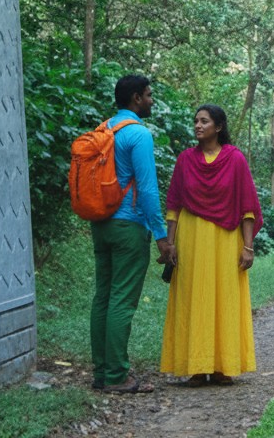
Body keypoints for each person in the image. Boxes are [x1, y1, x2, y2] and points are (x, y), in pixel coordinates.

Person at [160, 104, 264, 387]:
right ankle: (195, 366)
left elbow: (247, 207)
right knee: (194, 298)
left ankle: (222, 366)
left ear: (218, 127)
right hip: (192, 238)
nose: (197, 125)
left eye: (204, 121)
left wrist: (248, 246)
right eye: (195, 121)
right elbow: (174, 205)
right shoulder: (185, 160)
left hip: (226, 239)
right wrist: (170, 243)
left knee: (224, 298)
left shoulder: (235, 159)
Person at [91, 74, 174, 394]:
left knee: (103, 297)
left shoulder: (105, 129)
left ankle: (101, 372)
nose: (153, 100)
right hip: (129, 227)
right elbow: (149, 190)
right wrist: (161, 236)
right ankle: (116, 376)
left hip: (101, 224)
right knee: (122, 301)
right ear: (137, 98)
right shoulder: (138, 133)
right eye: (150, 95)